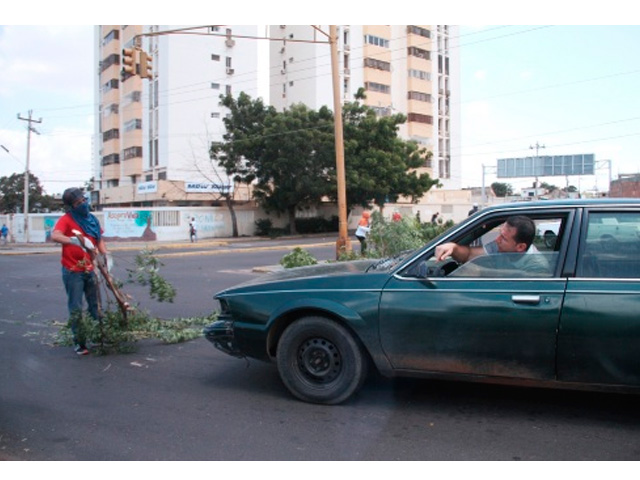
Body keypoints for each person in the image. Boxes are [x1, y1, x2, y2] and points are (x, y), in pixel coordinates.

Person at [51, 188, 108, 356]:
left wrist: (106, 256)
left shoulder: (92, 219)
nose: (83, 204)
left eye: (83, 200)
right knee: (76, 306)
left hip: (90, 269)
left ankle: (98, 335)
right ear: (71, 206)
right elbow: (55, 235)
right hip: (73, 270)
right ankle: (79, 342)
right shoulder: (67, 220)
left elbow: (99, 239)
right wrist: (73, 241)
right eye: (78, 203)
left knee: (94, 305)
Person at [435, 215, 549, 274]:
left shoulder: (538, 266)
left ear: (520, 247)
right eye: (500, 234)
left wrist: (480, 272)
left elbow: (517, 280)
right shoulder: (499, 247)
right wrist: (453, 248)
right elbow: (469, 254)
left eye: (504, 238)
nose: (497, 240)